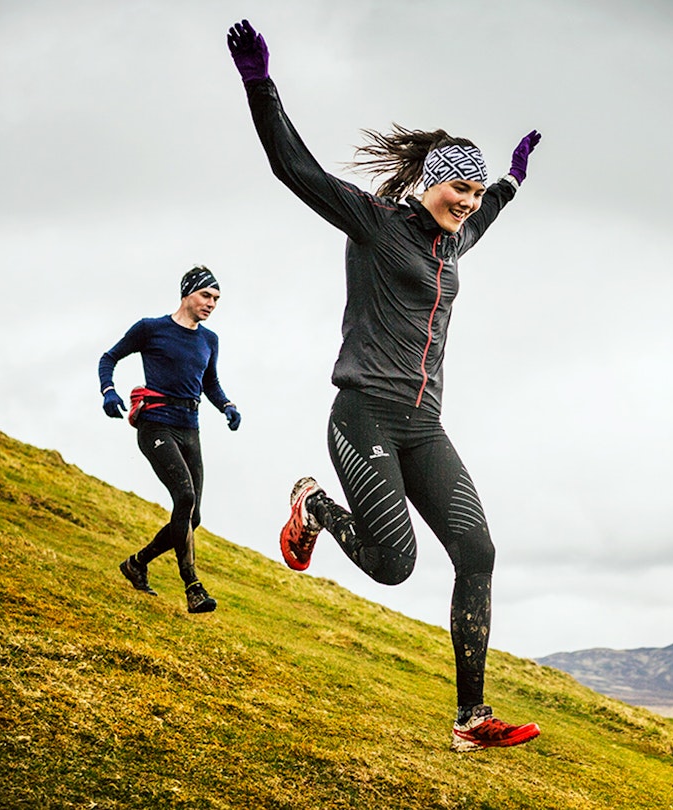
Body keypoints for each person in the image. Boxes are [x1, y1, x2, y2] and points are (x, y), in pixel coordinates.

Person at [226, 19, 542, 752]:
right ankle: (313, 507)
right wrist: (259, 86)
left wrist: (514, 179)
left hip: (424, 425)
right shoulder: (373, 223)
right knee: (395, 565)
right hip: (363, 412)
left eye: (470, 190)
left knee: (479, 552)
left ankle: (470, 722)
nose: (465, 201)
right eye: (455, 188)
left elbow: (490, 208)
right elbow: (293, 168)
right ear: (430, 183)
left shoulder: (456, 236)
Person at [98, 265, 241, 614]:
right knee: (185, 495)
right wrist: (109, 392)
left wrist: (227, 404)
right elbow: (109, 357)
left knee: (192, 517)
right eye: (206, 295)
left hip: (189, 428)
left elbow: (210, 382)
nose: (212, 303)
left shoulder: (210, 340)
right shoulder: (151, 329)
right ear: (187, 293)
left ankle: (137, 563)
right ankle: (192, 586)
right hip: (156, 426)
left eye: (217, 299)